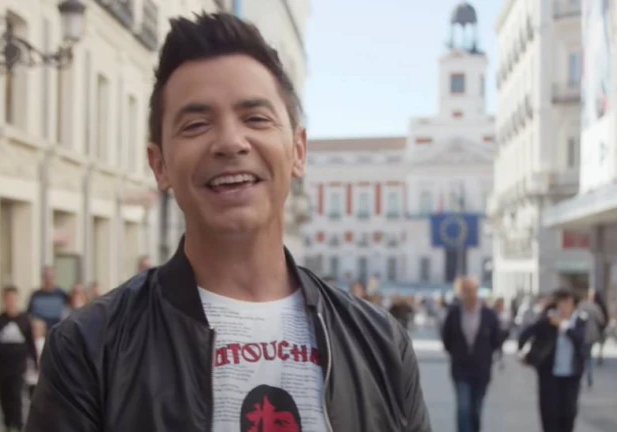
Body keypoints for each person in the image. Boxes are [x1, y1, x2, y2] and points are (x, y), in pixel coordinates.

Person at [26, 13, 430, 432]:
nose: (231, 143)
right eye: (196, 125)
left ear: (298, 151)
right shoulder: (88, 349)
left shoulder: (381, 343)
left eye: (256, 118)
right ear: (159, 165)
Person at [518, 288, 587, 432]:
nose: (564, 307)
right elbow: (526, 333)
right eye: (561, 303)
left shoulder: (579, 322)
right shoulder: (547, 321)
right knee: (549, 417)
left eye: (568, 303)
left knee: (568, 416)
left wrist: (563, 325)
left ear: (573, 305)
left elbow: (579, 340)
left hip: (571, 377)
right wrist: (523, 353)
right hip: (549, 376)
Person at [441, 277, 503, 432]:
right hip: (460, 369)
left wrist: (485, 354)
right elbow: (446, 338)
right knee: (463, 408)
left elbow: (496, 340)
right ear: (461, 293)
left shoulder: (489, 315)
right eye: (466, 291)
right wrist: (457, 353)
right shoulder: (454, 314)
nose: (470, 294)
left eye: (473, 290)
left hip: (482, 369)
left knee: (476, 409)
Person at [0, 286, 38, 432]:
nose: (11, 302)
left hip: (18, 365)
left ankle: (18, 425)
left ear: (17, 300)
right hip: (2, 365)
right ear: (4, 300)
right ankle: (8, 424)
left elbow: (31, 342)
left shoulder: (24, 320)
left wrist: (35, 362)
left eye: (13, 299)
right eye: (8, 299)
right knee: (4, 396)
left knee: (16, 395)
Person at [577, 288, 606, 388]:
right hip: (591, 336)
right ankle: (589, 374)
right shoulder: (595, 307)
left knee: (581, 357)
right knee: (588, 357)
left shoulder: (581, 306)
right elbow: (601, 321)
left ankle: (581, 376)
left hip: (581, 336)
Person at [27, 266, 69, 332]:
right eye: (46, 277)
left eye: (51, 277)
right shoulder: (35, 295)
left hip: (58, 329)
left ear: (55, 278)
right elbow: (29, 314)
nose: (48, 280)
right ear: (42, 278)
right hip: (40, 330)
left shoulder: (62, 294)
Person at [25, 319, 47, 400]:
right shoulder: (27, 343)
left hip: (41, 379)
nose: (36, 331)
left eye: (38, 329)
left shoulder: (46, 344)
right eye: (34, 328)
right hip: (29, 378)